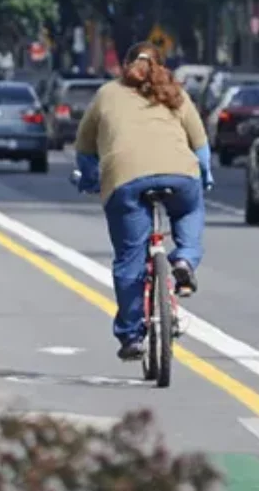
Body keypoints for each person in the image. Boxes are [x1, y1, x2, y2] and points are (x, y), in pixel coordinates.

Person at [73, 41, 213, 362]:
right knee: (190, 209)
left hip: (124, 179)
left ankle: (131, 336)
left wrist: (92, 179)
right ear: (162, 65)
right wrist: (204, 177)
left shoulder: (106, 94)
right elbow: (201, 147)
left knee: (129, 259)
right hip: (180, 174)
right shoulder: (175, 92)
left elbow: (84, 149)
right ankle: (184, 261)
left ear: (125, 65)